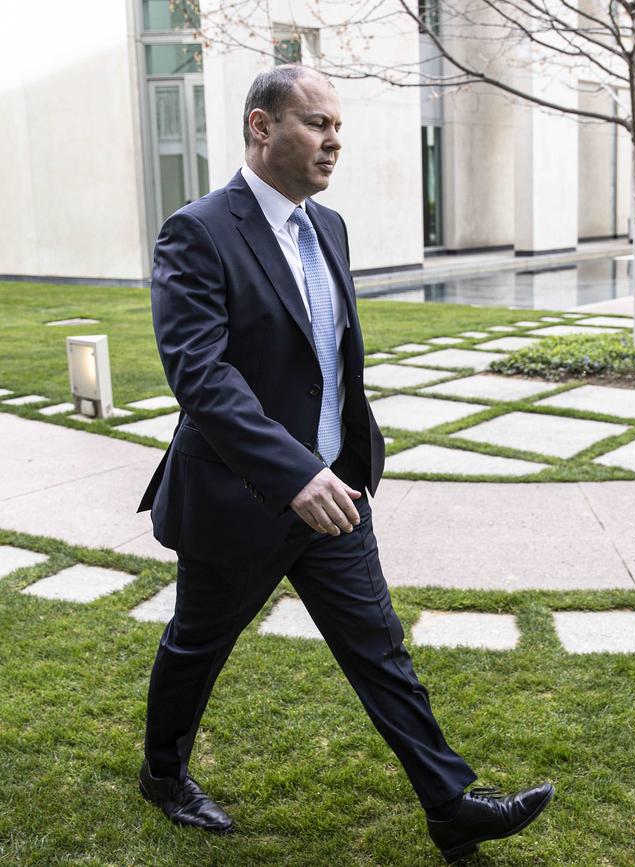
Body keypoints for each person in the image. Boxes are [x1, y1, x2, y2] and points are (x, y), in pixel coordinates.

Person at [136, 64, 553, 864]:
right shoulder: (198, 231)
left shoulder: (329, 226)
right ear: (262, 127)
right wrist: (293, 472)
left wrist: (345, 460)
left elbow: (329, 358)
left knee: (379, 647)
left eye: (338, 128)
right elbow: (202, 376)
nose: (334, 142)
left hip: (335, 494)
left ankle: (450, 804)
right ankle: (162, 774)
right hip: (243, 497)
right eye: (317, 124)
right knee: (196, 644)